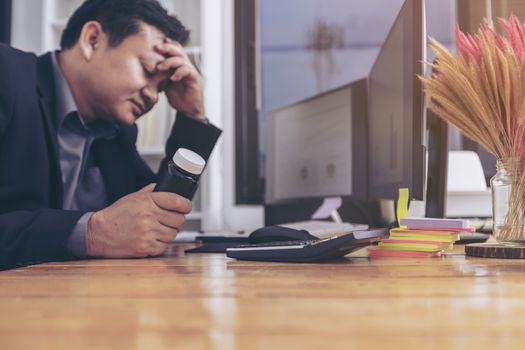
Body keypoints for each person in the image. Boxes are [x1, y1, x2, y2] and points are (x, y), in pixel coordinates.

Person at [0, 0, 221, 270]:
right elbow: (108, 231)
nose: (153, 95)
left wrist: (193, 117)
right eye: (147, 71)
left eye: (161, 87)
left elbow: (154, 215)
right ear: (92, 40)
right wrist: (92, 233)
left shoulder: (117, 131)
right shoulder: (6, 75)